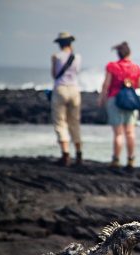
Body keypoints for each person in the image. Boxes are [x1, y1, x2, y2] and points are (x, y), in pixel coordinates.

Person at [98, 41, 140, 169]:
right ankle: (131, 159)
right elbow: (139, 85)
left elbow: (106, 84)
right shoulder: (136, 68)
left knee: (118, 133)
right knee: (130, 132)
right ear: (130, 53)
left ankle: (116, 159)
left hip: (114, 99)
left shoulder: (112, 66)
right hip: (130, 101)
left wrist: (102, 98)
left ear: (118, 54)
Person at [51, 32, 83, 166]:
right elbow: (77, 72)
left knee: (60, 122)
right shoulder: (77, 57)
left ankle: (65, 154)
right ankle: (79, 153)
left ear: (60, 44)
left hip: (61, 88)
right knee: (74, 121)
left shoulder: (56, 56)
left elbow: (54, 75)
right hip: (74, 90)